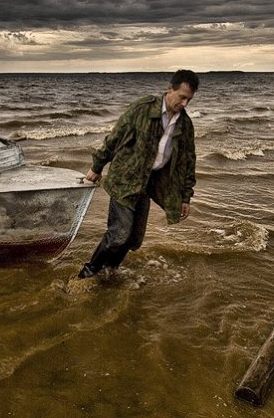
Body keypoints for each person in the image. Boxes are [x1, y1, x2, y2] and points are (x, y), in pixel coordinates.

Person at [78, 69, 199, 279]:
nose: (185, 104)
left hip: (148, 184)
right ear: (170, 89)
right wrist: (97, 167)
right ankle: (88, 273)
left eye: (189, 99)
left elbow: (188, 163)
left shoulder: (185, 124)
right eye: (182, 97)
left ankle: (109, 271)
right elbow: (115, 137)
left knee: (133, 239)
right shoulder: (142, 109)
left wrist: (185, 197)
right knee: (119, 234)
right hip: (125, 179)